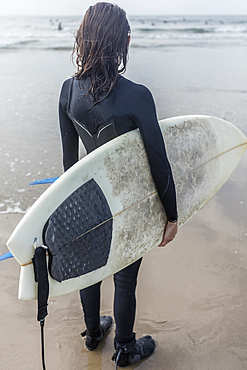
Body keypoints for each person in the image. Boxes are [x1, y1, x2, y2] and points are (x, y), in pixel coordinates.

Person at [58, 2, 178, 368]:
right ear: (123, 41)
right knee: (125, 281)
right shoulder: (137, 96)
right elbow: (159, 162)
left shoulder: (67, 91)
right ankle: (125, 348)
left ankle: (94, 333)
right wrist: (172, 215)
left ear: (84, 37)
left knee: (90, 270)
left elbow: (69, 165)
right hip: (127, 202)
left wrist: (69, 211)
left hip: (86, 201)